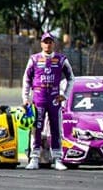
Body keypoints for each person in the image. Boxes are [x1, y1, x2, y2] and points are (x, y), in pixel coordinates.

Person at [22, 31, 75, 171]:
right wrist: (25, 98)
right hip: (38, 100)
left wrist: (65, 95)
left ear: (53, 43)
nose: (48, 44)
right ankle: (34, 158)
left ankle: (57, 159)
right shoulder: (34, 59)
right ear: (41, 44)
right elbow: (26, 79)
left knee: (56, 129)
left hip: (54, 100)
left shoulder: (61, 59)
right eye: (45, 41)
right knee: (36, 129)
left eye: (50, 41)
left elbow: (71, 78)